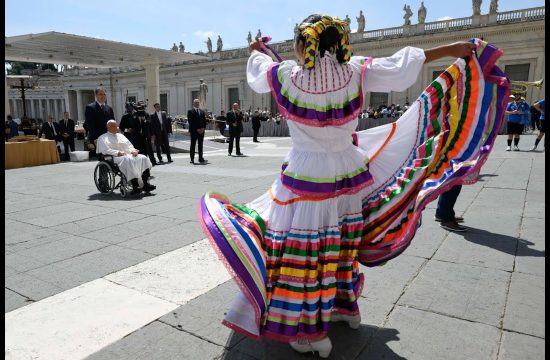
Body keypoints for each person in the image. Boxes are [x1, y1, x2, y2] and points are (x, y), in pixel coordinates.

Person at [200, 14, 506, 359]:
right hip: (348, 171)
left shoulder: (284, 76)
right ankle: (346, 308)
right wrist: (458, 48)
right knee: (341, 242)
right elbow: (402, 64)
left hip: (307, 175)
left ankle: (308, 330)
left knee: (305, 251)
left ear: (304, 45)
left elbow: (260, 71)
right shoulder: (357, 69)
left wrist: (256, 50)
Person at [96, 120, 155, 195]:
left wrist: (133, 151)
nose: (116, 128)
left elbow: (129, 145)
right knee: (129, 160)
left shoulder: (121, 136)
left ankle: (145, 183)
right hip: (115, 158)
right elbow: (106, 150)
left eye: (116, 126)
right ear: (108, 127)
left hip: (128, 155)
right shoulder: (103, 138)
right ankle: (135, 185)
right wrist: (118, 152)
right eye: (113, 126)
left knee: (143, 157)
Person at [83, 86, 115, 158]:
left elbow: (113, 123)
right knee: (103, 158)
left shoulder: (109, 108)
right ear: (96, 95)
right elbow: (90, 125)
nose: (103, 96)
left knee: (111, 158)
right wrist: (95, 139)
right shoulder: (90, 107)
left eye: (104, 94)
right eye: (100, 94)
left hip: (109, 138)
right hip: (98, 139)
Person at [130, 101, 157, 166]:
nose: (140, 108)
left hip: (145, 137)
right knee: (138, 152)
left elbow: (149, 123)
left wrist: (144, 120)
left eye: (141, 107)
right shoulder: (134, 115)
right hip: (137, 138)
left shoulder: (146, 114)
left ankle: (149, 163)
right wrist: (135, 117)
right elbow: (132, 125)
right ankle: (138, 164)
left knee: (147, 151)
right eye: (139, 107)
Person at [187, 98, 207, 164]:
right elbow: (191, 122)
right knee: (193, 145)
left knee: (200, 145)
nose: (197, 103)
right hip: (194, 131)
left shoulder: (202, 111)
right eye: (196, 102)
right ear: (193, 103)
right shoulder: (190, 111)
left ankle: (200, 158)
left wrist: (203, 128)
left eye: (198, 102)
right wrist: (197, 129)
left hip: (201, 131)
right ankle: (192, 159)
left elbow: (204, 121)